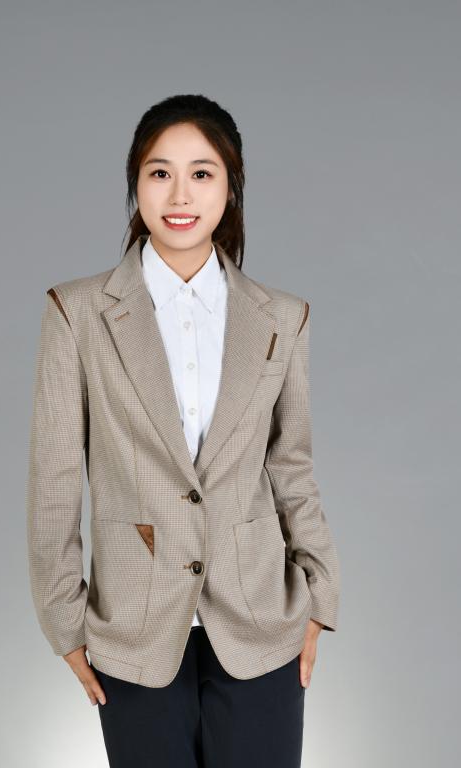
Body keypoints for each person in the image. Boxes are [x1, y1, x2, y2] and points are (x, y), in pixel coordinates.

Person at [27, 93, 340, 767]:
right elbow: (54, 481)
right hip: (133, 627)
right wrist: (64, 623)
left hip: (262, 621)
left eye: (202, 173)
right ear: (135, 184)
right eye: (159, 172)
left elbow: (291, 465)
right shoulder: (77, 313)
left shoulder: (282, 317)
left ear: (231, 187)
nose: (180, 194)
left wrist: (321, 593)